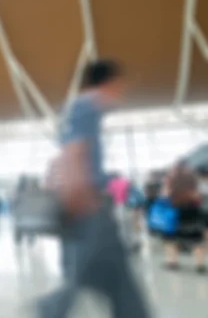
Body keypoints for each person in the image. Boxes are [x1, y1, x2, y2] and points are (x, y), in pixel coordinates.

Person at [38, 60, 150, 318]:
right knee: (106, 279)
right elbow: (74, 152)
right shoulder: (85, 107)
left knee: (108, 278)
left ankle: (54, 307)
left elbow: (61, 158)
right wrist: (81, 199)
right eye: (119, 86)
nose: (120, 93)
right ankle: (51, 308)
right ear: (107, 83)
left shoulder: (75, 109)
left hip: (87, 206)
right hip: (90, 206)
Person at [162, 160, 205, 272]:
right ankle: (200, 265)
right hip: (193, 210)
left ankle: (173, 262)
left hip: (176, 211)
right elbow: (199, 194)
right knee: (197, 238)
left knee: (172, 238)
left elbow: (166, 195)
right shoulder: (193, 178)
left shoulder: (171, 179)